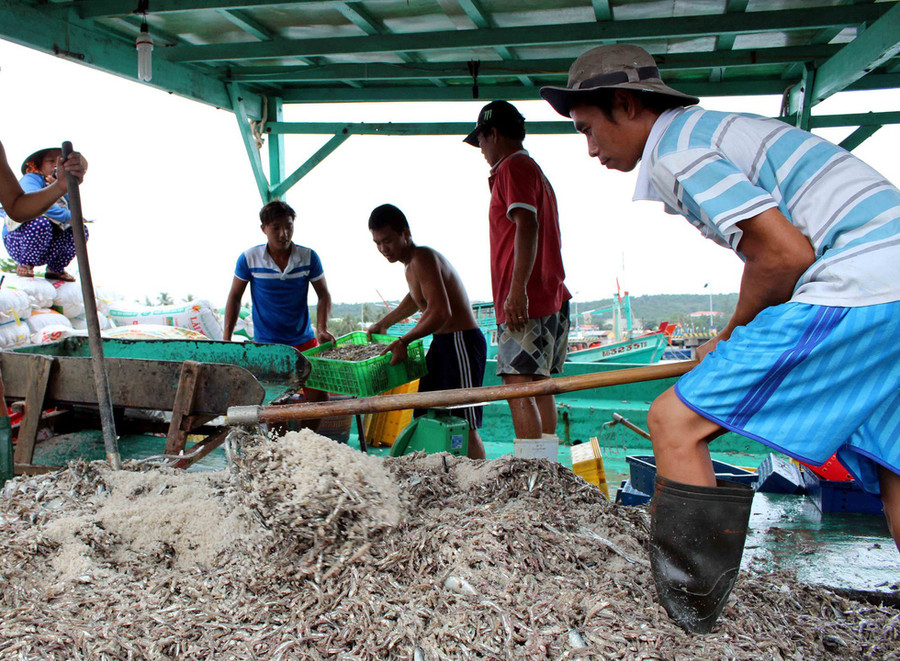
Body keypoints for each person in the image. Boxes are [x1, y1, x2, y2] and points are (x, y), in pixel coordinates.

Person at [540, 44, 900, 633]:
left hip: (865, 281)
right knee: (894, 461)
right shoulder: (709, 131)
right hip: (892, 280)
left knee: (674, 422)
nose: (591, 149)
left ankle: (691, 615)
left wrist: (731, 338)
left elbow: (783, 255)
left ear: (625, 104)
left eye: (587, 129)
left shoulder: (676, 151)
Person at [463, 100, 571, 456]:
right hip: (550, 293)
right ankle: (548, 469)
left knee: (517, 383)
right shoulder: (532, 170)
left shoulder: (512, 167)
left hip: (529, 297)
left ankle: (532, 469)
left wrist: (517, 291)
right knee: (538, 383)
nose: (481, 150)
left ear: (492, 134)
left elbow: (527, 223)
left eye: (480, 140)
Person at [366, 203, 487, 460]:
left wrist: (404, 340)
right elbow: (415, 297)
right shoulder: (411, 264)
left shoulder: (422, 258)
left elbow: (441, 312)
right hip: (442, 344)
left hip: (461, 343)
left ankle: (482, 476)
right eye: (377, 243)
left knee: (464, 422)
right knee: (426, 411)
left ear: (405, 233)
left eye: (387, 240)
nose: (383, 248)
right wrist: (384, 323)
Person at [223, 200, 335, 428]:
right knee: (275, 405)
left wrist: (322, 328)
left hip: (304, 341)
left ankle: (306, 442)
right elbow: (234, 297)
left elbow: (323, 294)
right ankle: (281, 447)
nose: (284, 234)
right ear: (264, 228)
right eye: (276, 228)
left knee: (320, 399)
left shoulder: (308, 257)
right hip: (268, 346)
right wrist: (226, 339)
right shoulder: (249, 258)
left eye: (289, 226)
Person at [0, 144, 89, 281]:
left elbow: (72, 208)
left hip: (50, 244)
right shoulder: (31, 179)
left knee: (80, 230)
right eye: (51, 161)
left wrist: (61, 188)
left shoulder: (63, 186)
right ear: (39, 165)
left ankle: (55, 268)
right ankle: (25, 264)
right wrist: (68, 215)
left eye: (60, 162)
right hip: (21, 240)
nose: (55, 165)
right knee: (40, 223)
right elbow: (28, 206)